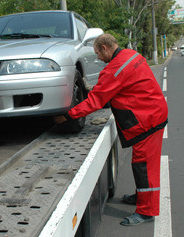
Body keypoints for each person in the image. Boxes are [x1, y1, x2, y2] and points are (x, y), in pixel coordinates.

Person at [54, 34, 168, 226]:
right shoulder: (132, 55)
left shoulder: (114, 70)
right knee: (142, 165)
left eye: (98, 52)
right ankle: (142, 197)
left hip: (146, 120)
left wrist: (67, 115)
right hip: (153, 112)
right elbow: (121, 88)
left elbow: (95, 102)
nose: (98, 57)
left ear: (105, 47)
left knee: (145, 167)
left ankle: (147, 212)